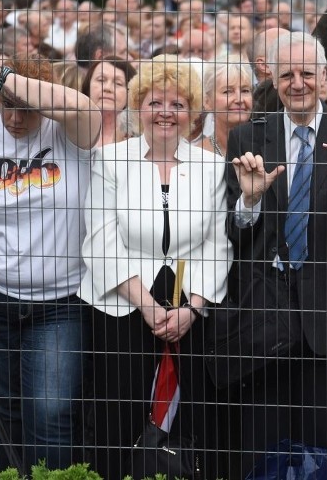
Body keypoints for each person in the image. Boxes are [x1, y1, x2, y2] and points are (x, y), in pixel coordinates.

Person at [0, 47, 101, 474]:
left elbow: (82, 105)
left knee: (50, 414)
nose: (14, 118)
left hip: (59, 302)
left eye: (25, 108)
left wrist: (2, 75)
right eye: (6, 106)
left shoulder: (69, 130)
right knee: (4, 415)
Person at [225, 31, 327, 477]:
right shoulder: (247, 138)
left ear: (326, 77)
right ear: (272, 78)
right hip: (264, 321)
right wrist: (250, 202)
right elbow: (233, 235)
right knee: (262, 449)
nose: (297, 83)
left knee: (325, 452)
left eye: (307, 74)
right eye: (287, 74)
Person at [79, 54, 231, 480]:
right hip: (121, 307)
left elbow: (218, 242)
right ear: (138, 105)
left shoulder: (210, 166)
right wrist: (146, 306)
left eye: (178, 103)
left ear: (192, 112)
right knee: (117, 420)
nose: (166, 112)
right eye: (155, 101)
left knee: (194, 420)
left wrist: (193, 307)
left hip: (190, 309)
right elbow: (101, 240)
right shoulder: (111, 161)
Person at [197, 54, 254, 157]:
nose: (239, 99)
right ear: (207, 102)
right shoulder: (197, 155)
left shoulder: (267, 148)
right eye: (227, 92)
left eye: (245, 90)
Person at [80, 56, 136, 146]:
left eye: (118, 83)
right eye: (101, 80)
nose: (107, 88)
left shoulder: (139, 137)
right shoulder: (72, 129)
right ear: (87, 87)